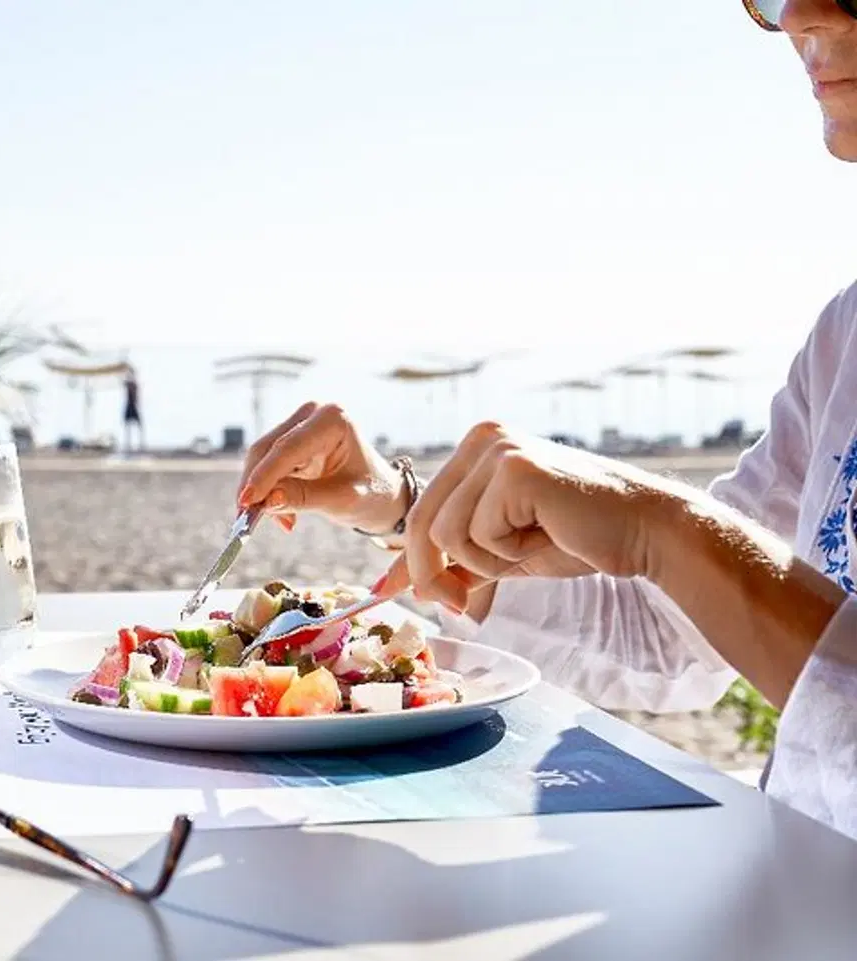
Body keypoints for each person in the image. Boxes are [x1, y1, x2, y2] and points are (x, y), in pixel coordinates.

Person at [236, 0, 857, 841]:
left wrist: (667, 529)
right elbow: (674, 641)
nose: (798, 17)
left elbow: (695, 573)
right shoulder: (844, 336)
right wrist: (406, 507)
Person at [122, 364, 145, 454]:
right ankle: (129, 444)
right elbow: (124, 383)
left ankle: (140, 444)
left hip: (133, 405)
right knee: (128, 425)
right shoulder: (129, 383)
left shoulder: (133, 383)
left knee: (138, 425)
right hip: (130, 405)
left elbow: (136, 394)